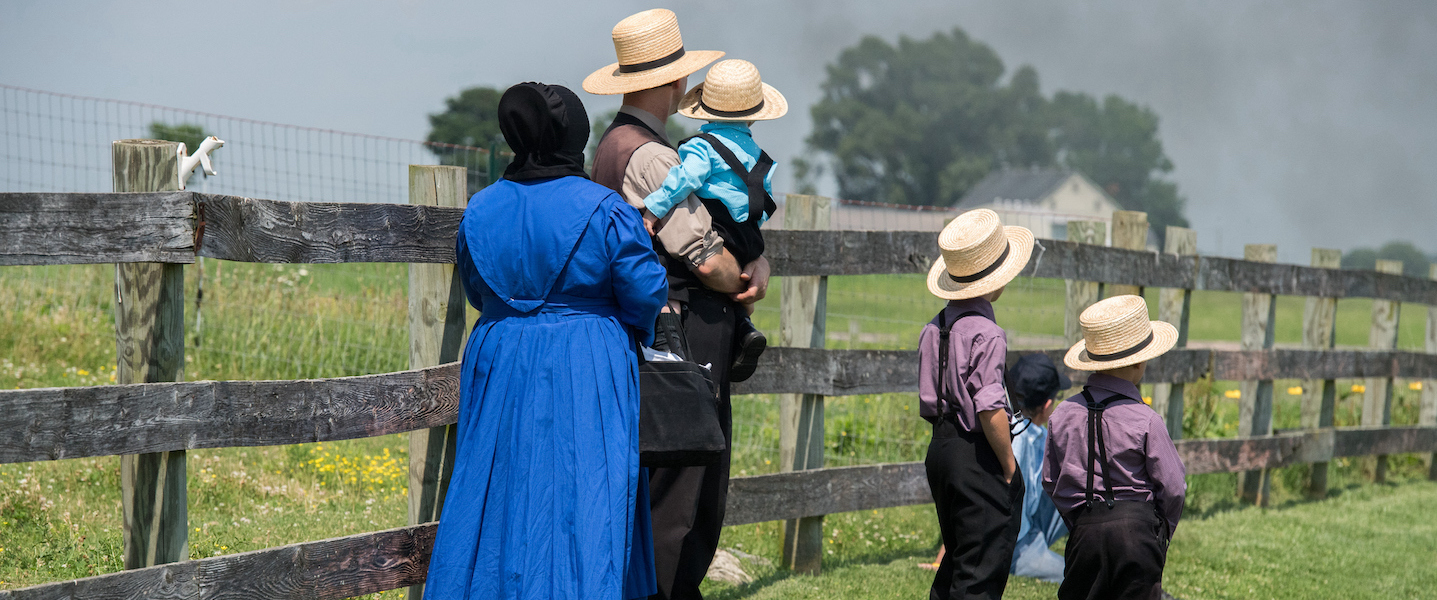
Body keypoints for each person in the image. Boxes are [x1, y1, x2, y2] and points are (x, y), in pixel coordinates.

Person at [423, 82, 668, 600]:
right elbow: (645, 292)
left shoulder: (481, 208)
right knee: (586, 489)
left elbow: (476, 288)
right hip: (586, 359)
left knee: (498, 487)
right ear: (574, 136)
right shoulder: (604, 208)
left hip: (501, 356)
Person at [585, 9, 770, 600]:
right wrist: (746, 273)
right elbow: (706, 259)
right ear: (665, 83)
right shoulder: (655, 157)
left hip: (649, 321)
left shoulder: (611, 146)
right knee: (690, 475)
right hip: (688, 323)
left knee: (661, 470)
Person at [641, 58, 787, 382]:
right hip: (749, 234)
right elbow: (764, 198)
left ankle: (672, 339)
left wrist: (652, 209)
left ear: (705, 110)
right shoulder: (756, 152)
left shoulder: (701, 147)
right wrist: (751, 241)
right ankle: (744, 325)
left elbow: (682, 181)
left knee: (672, 258)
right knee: (740, 280)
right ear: (753, 114)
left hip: (719, 226)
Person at [918, 208, 1034, 600]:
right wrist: (1007, 464)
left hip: (941, 450)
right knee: (981, 569)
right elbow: (988, 406)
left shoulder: (934, 327)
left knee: (958, 559)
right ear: (997, 281)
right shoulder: (988, 333)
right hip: (975, 451)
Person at [1044, 294, 1187, 600]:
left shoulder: (1062, 414)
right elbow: (1173, 487)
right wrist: (1160, 531)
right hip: (1138, 532)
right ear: (1138, 361)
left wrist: (1081, 521)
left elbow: (1051, 481)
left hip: (1085, 529)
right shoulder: (1147, 419)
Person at [919, 353, 1071, 583]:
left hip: (1030, 521)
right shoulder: (1014, 443)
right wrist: (945, 559)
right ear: (1047, 405)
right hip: (1013, 543)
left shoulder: (1033, 431)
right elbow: (980, 501)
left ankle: (1097, 552)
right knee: (1075, 575)